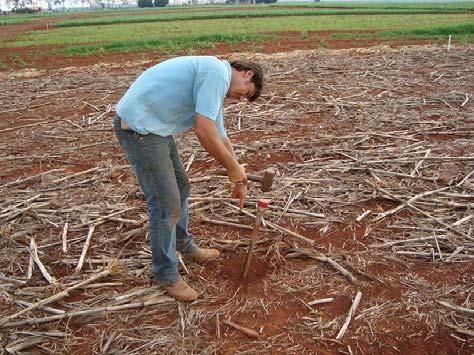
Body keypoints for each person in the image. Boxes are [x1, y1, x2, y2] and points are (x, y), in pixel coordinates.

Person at [114, 56, 264, 301]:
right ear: (247, 74)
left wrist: (239, 175)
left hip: (156, 130)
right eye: (248, 93)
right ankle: (166, 273)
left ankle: (183, 244)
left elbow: (220, 136)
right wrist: (232, 170)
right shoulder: (217, 73)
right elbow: (203, 130)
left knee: (181, 187)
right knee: (166, 203)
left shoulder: (214, 82)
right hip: (140, 128)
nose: (241, 99)